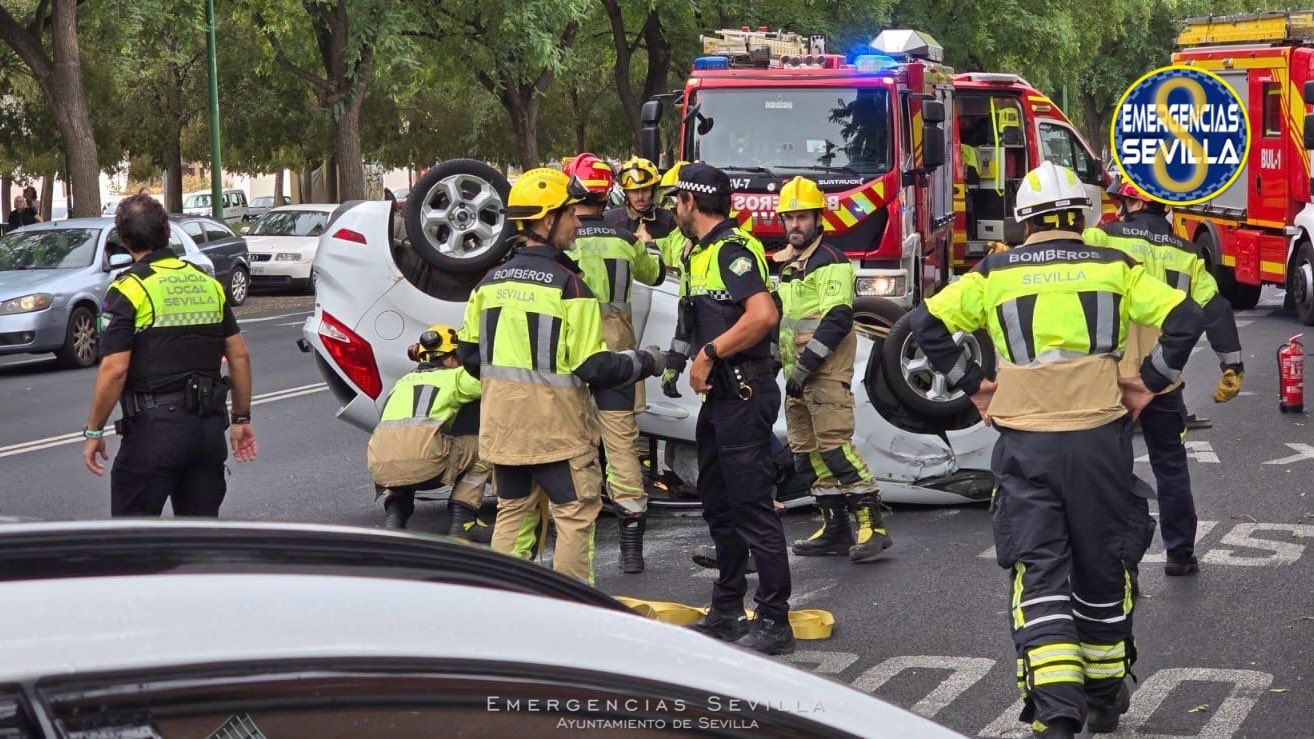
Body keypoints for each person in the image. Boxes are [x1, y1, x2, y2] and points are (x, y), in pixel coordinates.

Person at [910, 162, 1203, 738]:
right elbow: (1186, 317)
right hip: (1100, 439)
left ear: (1023, 221)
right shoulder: (1114, 266)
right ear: (1082, 215)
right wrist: (1148, 380)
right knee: (1102, 565)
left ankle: (1056, 715)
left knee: (1039, 572)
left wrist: (973, 385)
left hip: (1026, 445)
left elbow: (924, 323)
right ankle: (1104, 697)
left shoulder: (995, 271)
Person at [455, 168, 664, 584]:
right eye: (569, 214)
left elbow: (468, 354)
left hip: (503, 430)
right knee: (574, 514)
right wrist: (646, 361)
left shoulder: (489, 282)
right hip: (556, 433)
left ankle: (507, 606)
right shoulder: (571, 286)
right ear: (547, 221)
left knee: (512, 514)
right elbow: (594, 367)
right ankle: (573, 613)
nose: (575, 223)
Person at [1083, 182, 1244, 577]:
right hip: (1162, 379)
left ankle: (1116, 557)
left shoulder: (1101, 237)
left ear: (1136, 201)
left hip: (1112, 381)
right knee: (1170, 466)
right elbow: (1215, 309)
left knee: (1108, 469)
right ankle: (1180, 554)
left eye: (1122, 200)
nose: (1118, 207)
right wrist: (1232, 365)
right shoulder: (1187, 254)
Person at [673, 162, 793, 655]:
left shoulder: (732, 251)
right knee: (718, 504)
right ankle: (726, 609)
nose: (673, 209)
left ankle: (774, 620)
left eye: (676, 201)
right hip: (723, 398)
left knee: (752, 509)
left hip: (743, 391)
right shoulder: (699, 252)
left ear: (692, 203)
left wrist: (709, 353)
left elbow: (762, 315)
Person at [82, 193, 258, 515]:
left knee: (133, 544)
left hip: (154, 433)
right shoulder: (207, 283)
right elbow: (239, 356)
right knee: (199, 544)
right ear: (167, 231)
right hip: (207, 431)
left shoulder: (129, 288)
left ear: (123, 239)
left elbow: (115, 370)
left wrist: (95, 429)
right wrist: (242, 418)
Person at [773, 176, 891, 564]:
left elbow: (837, 318)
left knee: (836, 450)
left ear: (818, 218)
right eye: (789, 218)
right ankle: (836, 528)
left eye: (802, 217)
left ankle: (872, 527)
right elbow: (787, 322)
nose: (794, 225)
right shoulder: (790, 266)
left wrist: (805, 367)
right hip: (797, 377)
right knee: (807, 457)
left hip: (822, 374)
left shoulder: (832, 262)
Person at [561, 153, 665, 573]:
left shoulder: (565, 239)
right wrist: (650, 242)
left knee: (574, 437)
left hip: (574, 347)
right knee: (622, 442)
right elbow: (656, 273)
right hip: (620, 347)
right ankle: (631, 545)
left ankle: (576, 530)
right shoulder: (626, 239)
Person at [366, 323, 493, 541]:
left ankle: (394, 521)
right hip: (427, 464)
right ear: (452, 358)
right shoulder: (455, 377)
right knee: (487, 448)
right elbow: (494, 385)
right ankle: (463, 519)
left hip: (380, 466)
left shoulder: (401, 383)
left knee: (402, 451)